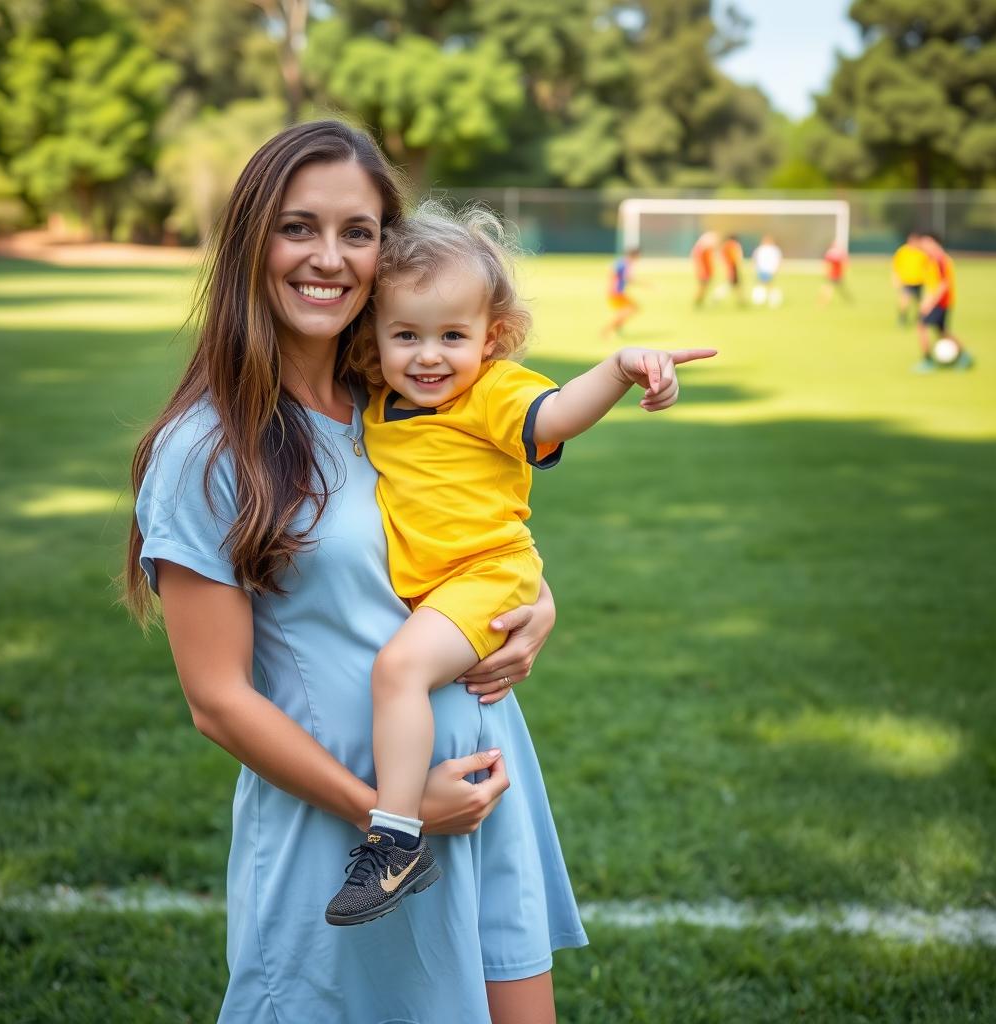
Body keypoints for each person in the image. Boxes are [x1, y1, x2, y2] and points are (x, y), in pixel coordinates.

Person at [122, 120, 693, 1024]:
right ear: (248, 243)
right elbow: (217, 700)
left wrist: (537, 603)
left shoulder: (405, 399)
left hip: (483, 782)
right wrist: (388, 816)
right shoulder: (208, 449)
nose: (329, 257)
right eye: (297, 226)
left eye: (357, 231)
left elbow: (462, 536)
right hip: (357, 827)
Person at [332, 203, 717, 927]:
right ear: (375, 338)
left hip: (487, 576)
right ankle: (397, 832)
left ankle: (394, 840)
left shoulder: (491, 392)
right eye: (405, 335)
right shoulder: (382, 404)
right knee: (400, 670)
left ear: (492, 338)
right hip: (442, 588)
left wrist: (617, 368)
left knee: (398, 671)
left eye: (453, 336)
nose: (428, 356)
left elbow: (558, 414)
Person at [914, 232, 969, 370]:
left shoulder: (941, 259)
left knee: (922, 327)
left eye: (927, 242)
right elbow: (931, 283)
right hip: (938, 301)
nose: (924, 245)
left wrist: (930, 303)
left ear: (935, 242)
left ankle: (927, 360)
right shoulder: (930, 260)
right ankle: (965, 355)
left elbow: (943, 284)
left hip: (941, 302)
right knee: (943, 332)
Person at [601, 246, 640, 339]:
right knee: (626, 311)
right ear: (635, 255)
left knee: (632, 309)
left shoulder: (624, 262)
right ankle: (606, 331)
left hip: (618, 292)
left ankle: (616, 328)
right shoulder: (623, 263)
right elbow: (615, 274)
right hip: (616, 292)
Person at [891, 230, 929, 326]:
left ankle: (920, 319)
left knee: (920, 302)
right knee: (904, 300)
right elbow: (896, 266)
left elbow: (928, 267)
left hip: (919, 281)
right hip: (907, 281)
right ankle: (902, 319)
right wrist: (895, 278)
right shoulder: (902, 252)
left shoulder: (922, 253)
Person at [750, 234, 782, 307]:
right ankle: (759, 300)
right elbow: (755, 259)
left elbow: (778, 260)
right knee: (760, 285)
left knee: (770, 285)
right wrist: (755, 268)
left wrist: (776, 269)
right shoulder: (760, 249)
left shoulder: (774, 250)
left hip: (770, 270)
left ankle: (773, 300)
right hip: (761, 269)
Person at [819, 239, 852, 305]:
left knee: (829, 289)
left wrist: (825, 272)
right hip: (837, 274)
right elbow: (846, 263)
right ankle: (849, 301)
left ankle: (823, 303)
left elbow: (826, 264)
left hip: (833, 274)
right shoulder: (841, 253)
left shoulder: (830, 253)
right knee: (840, 289)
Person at [691, 230, 719, 307]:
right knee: (703, 287)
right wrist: (703, 271)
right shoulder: (702, 251)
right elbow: (702, 262)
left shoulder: (705, 251)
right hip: (704, 272)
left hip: (707, 271)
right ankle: (698, 301)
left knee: (705, 287)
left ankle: (699, 301)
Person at [719, 234, 744, 305]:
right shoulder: (732, 246)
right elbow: (736, 257)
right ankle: (717, 297)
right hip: (733, 267)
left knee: (734, 285)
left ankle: (741, 300)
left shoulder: (725, 246)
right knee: (732, 285)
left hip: (730, 267)